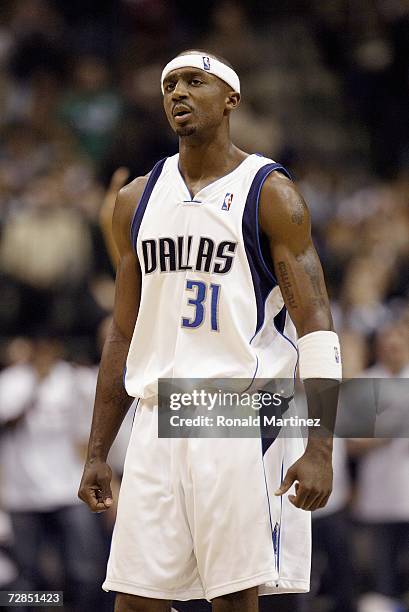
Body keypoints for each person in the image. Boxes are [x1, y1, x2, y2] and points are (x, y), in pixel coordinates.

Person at [78, 50, 342, 612]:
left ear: (231, 100)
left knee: (232, 599)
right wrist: (99, 449)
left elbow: (315, 323)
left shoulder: (271, 193)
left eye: (194, 82)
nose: (177, 92)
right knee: (135, 601)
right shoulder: (137, 199)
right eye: (169, 84)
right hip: (156, 417)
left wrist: (320, 447)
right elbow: (123, 334)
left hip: (235, 413)